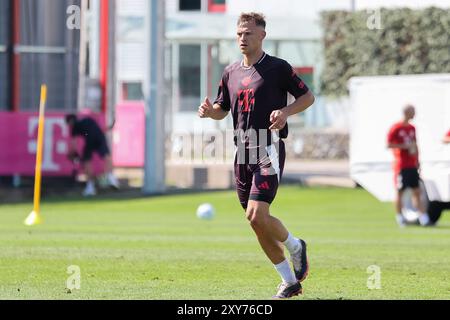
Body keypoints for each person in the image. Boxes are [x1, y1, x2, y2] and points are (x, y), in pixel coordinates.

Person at [198, 13, 315, 299]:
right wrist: (211, 112)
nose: (242, 38)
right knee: (255, 222)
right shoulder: (230, 72)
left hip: (268, 146)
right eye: (239, 33)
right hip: (242, 152)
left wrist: (286, 112)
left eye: (248, 33)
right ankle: (289, 281)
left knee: (256, 213)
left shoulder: (278, 68)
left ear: (262, 35)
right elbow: (223, 108)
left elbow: (308, 97)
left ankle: (296, 246)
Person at [387, 105, 430, 227]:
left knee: (417, 191)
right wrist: (404, 147)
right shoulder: (396, 127)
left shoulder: (412, 128)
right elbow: (389, 144)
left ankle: (423, 218)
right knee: (400, 192)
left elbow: (415, 145)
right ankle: (400, 217)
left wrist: (418, 160)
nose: (414, 114)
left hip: (412, 164)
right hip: (401, 165)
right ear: (407, 112)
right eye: (413, 111)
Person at [65, 114, 119, 196]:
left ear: (70, 121)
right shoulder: (88, 120)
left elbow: (73, 144)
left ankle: (91, 186)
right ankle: (111, 178)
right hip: (99, 137)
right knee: (107, 157)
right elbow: (99, 130)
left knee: (87, 163)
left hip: (91, 139)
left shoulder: (75, 127)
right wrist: (109, 127)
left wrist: (71, 154)